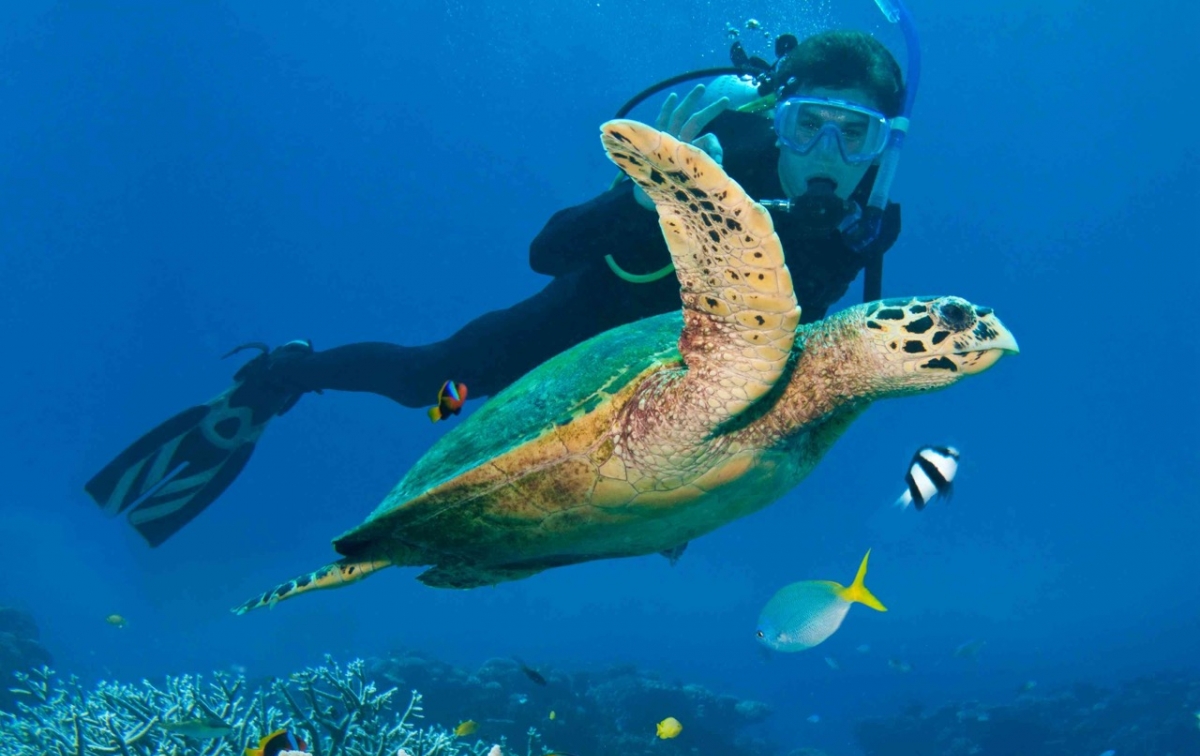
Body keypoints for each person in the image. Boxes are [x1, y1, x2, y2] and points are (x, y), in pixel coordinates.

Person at [87, 26, 911, 547]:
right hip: (570, 334)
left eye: (856, 135)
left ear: (884, 144)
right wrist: (649, 192)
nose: (828, 157)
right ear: (779, 118)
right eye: (810, 125)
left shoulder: (867, 222)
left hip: (671, 395)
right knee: (432, 387)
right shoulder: (710, 163)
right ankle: (282, 376)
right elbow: (547, 250)